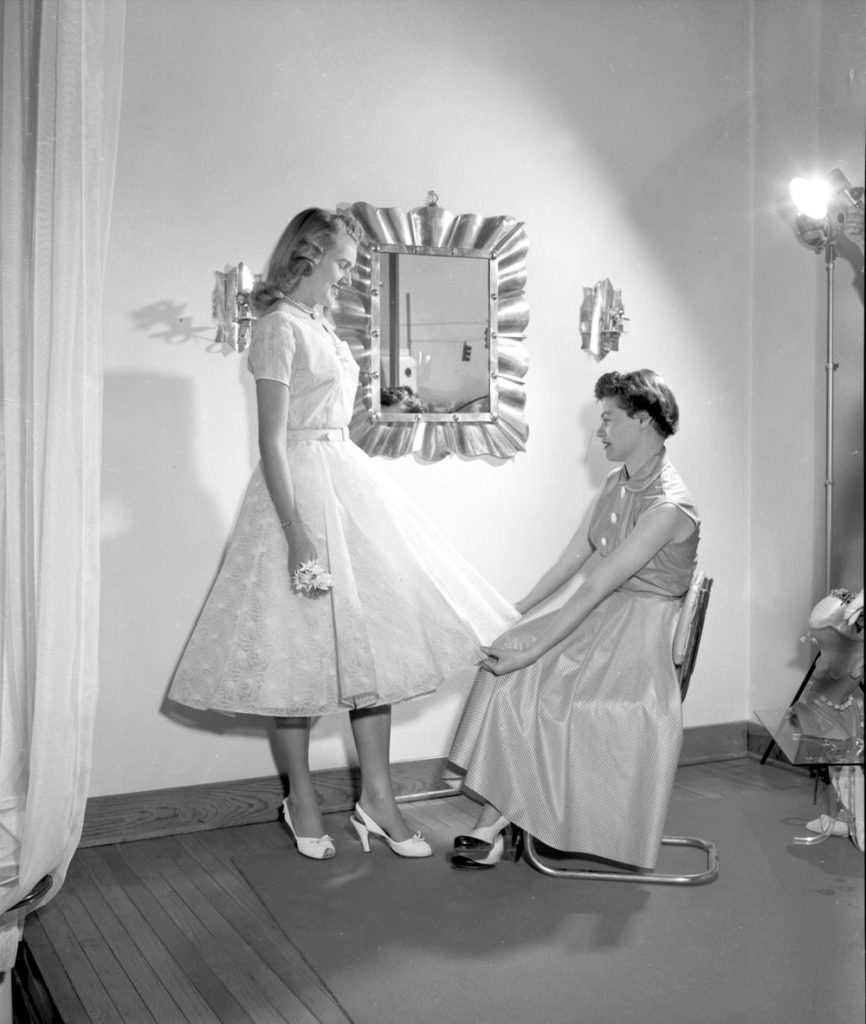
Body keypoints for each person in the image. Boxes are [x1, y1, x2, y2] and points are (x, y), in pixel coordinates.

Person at [168, 208, 516, 860]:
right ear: (308, 256)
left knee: (371, 651)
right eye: (340, 261)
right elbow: (272, 440)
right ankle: (301, 797)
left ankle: (378, 800)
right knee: (293, 656)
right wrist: (296, 531)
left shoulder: (323, 328)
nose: (347, 273)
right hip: (296, 492)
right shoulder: (276, 329)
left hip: (345, 484)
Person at [448, 369, 699, 869]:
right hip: (605, 618)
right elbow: (571, 563)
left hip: (639, 632)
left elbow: (595, 587)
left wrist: (533, 650)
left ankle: (496, 821)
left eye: (608, 420)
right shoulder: (617, 483)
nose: (598, 432)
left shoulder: (668, 506)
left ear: (643, 420)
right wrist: (508, 613)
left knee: (531, 677)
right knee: (510, 655)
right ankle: (501, 816)